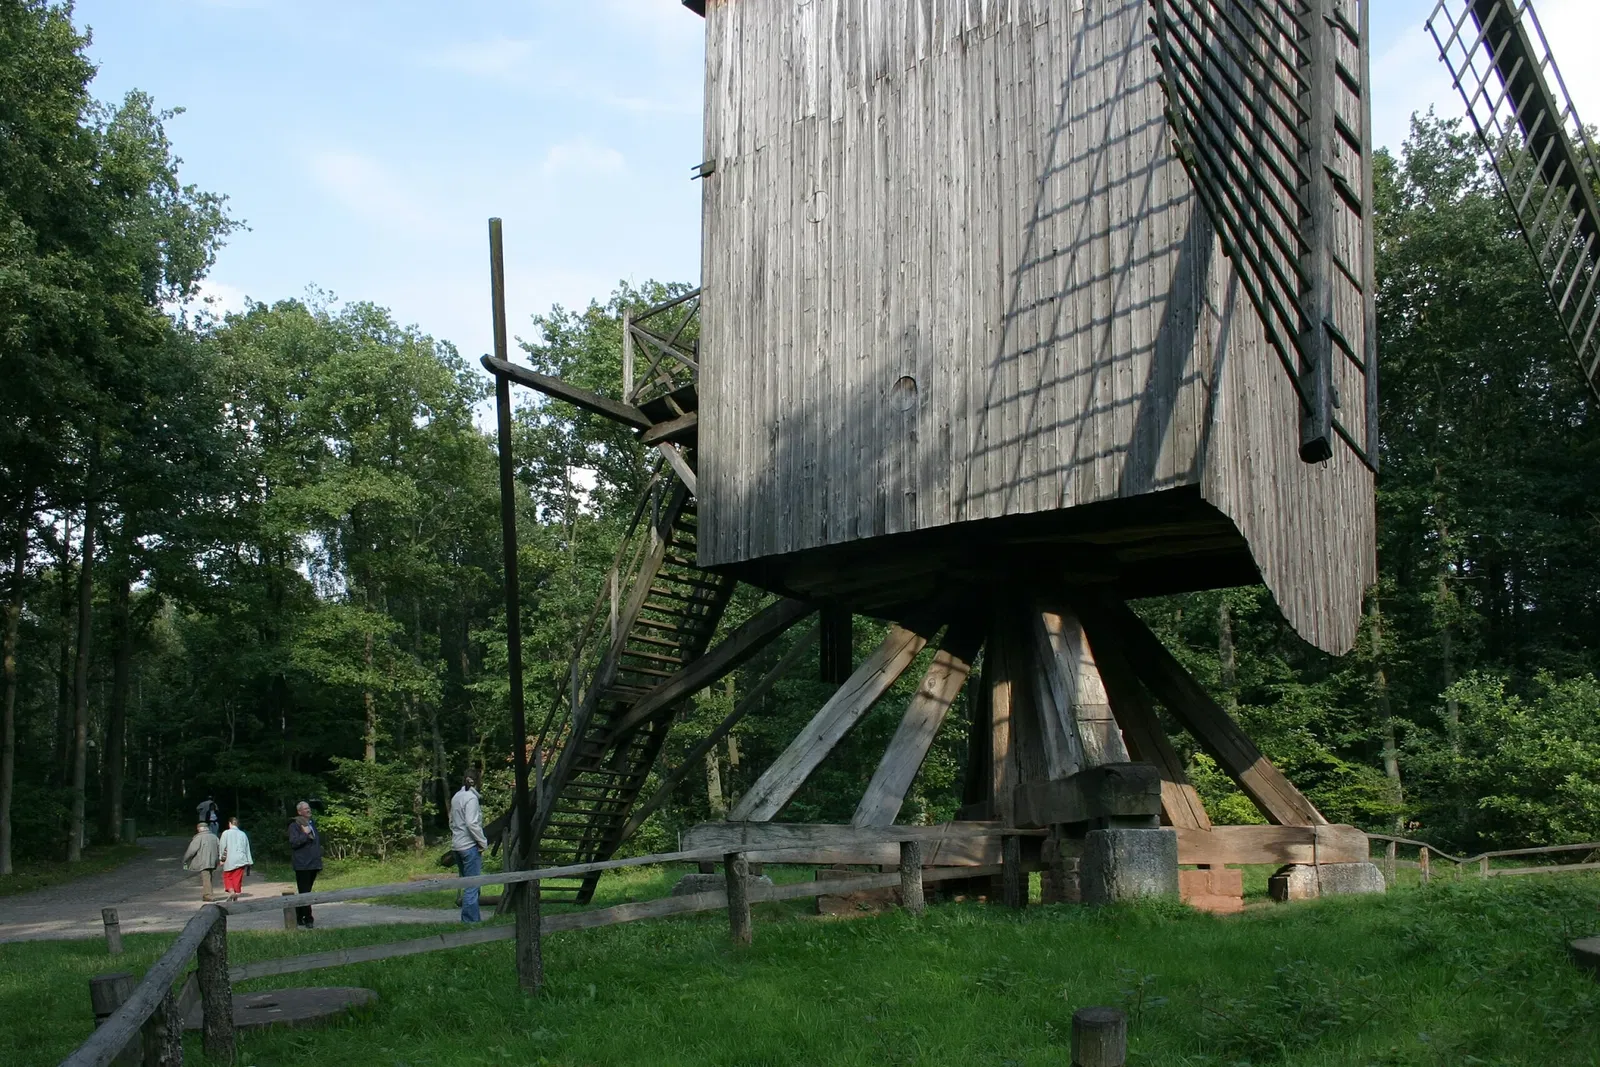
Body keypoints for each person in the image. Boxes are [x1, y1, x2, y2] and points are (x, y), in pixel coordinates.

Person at [449, 770, 489, 923]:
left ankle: (473, 918)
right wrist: (482, 841)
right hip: (469, 847)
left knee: (467, 884)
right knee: (472, 886)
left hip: (457, 846)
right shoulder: (471, 799)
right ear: (477, 782)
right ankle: (470, 921)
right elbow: (471, 823)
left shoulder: (456, 797)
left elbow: (452, 821)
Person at [287, 801, 323, 928]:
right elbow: (294, 842)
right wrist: (305, 834)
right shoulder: (294, 825)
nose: (308, 810)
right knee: (305, 892)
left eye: (309, 808)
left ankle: (298, 916)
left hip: (313, 863)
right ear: (299, 812)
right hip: (302, 864)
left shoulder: (311, 823)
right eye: (305, 809)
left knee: (306, 891)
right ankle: (308, 918)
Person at [218, 816, 254, 903]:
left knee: (228, 876)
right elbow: (247, 848)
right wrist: (249, 861)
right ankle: (236, 893)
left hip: (230, 858)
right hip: (241, 859)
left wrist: (221, 859)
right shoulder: (243, 834)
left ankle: (231, 891)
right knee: (237, 877)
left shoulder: (226, 833)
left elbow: (223, 847)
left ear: (230, 824)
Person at [182, 822, 220, 902]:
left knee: (206, 877)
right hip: (213, 860)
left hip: (203, 861)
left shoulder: (198, 838)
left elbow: (191, 850)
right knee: (209, 877)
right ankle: (207, 894)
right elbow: (219, 848)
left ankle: (208, 895)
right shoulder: (214, 837)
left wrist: (185, 859)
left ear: (199, 829)